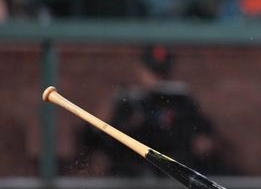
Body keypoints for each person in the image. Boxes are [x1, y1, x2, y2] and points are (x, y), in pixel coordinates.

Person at [79, 45, 227, 176]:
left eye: (162, 73)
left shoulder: (180, 100)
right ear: (140, 70)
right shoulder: (127, 100)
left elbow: (205, 139)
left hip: (169, 174)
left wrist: (199, 141)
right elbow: (93, 139)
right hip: (128, 174)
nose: (157, 78)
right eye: (152, 72)